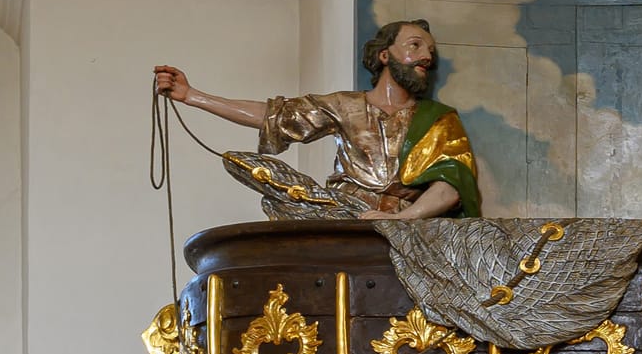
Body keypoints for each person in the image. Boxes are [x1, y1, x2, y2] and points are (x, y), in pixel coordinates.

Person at [153, 20, 478, 220]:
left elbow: (452, 187)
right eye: (415, 46)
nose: (426, 57)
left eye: (430, 51)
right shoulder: (345, 106)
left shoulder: (439, 120)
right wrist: (192, 96)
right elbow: (275, 116)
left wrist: (404, 218)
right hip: (345, 218)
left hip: (410, 230)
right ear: (385, 55)